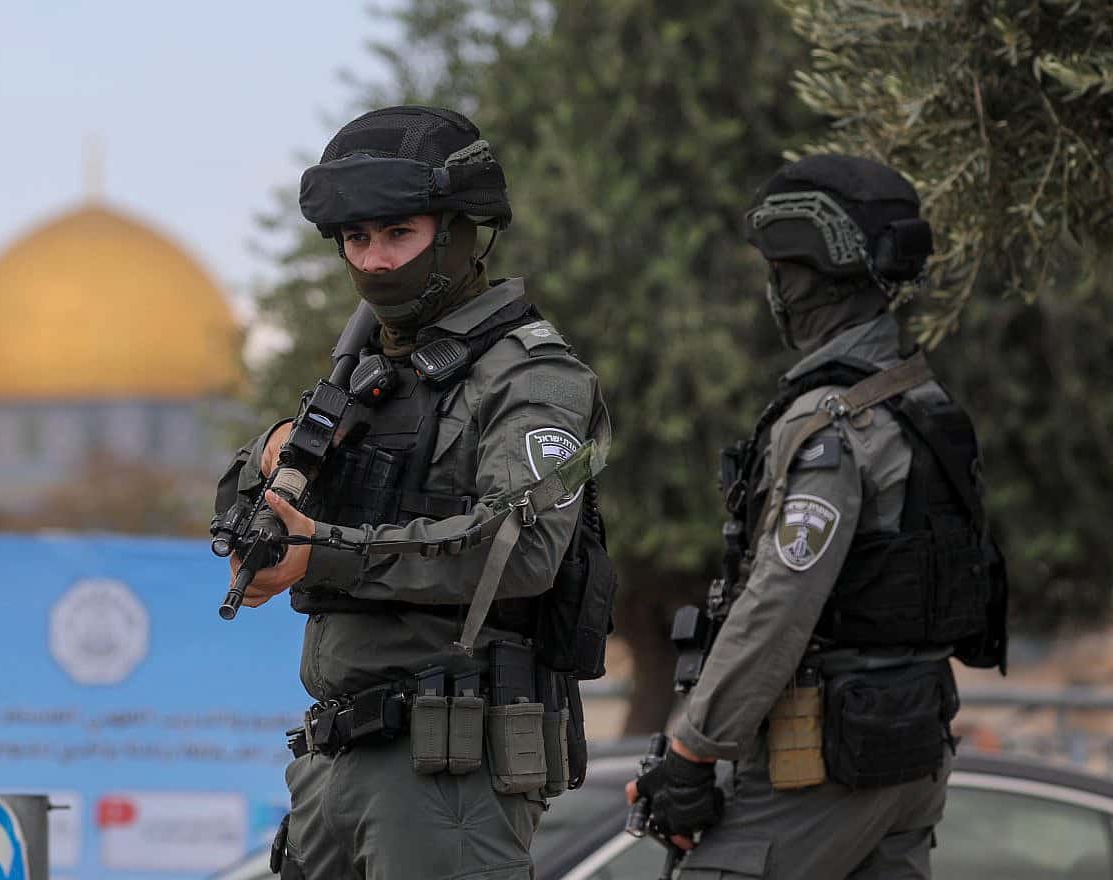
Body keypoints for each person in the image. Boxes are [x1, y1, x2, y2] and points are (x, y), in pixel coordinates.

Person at [215, 105, 612, 880]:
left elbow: (519, 550)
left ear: (461, 232)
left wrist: (320, 555)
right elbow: (252, 502)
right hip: (330, 763)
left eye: (400, 234)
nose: (375, 262)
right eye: (357, 240)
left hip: (443, 773)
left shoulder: (532, 378)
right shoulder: (366, 376)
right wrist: (263, 475)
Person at [627, 154, 1007, 879]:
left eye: (778, 275)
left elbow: (780, 602)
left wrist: (692, 747)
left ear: (799, 278)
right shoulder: (919, 401)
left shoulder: (829, 426)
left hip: (823, 763)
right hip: (908, 748)